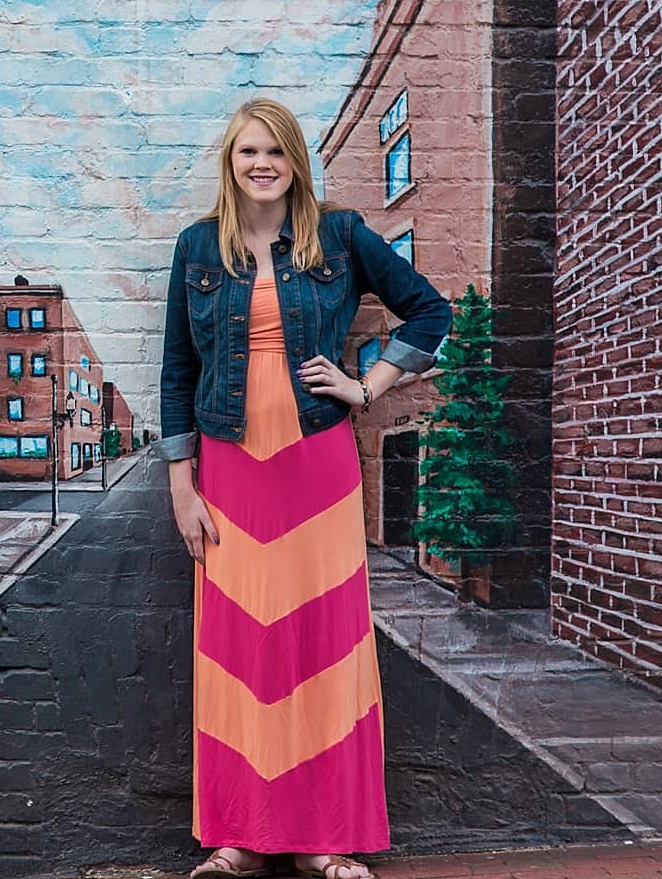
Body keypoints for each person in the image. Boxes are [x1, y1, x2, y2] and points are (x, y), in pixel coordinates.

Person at [149, 98, 452, 879]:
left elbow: (429, 310)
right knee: (236, 651)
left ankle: (326, 839)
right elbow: (178, 371)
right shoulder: (197, 249)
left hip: (316, 465)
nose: (261, 165)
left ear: (294, 162)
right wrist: (182, 484)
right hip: (229, 467)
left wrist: (367, 387)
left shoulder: (340, 237)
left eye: (275, 153)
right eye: (249, 151)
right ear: (231, 160)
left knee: (326, 649)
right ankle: (238, 840)